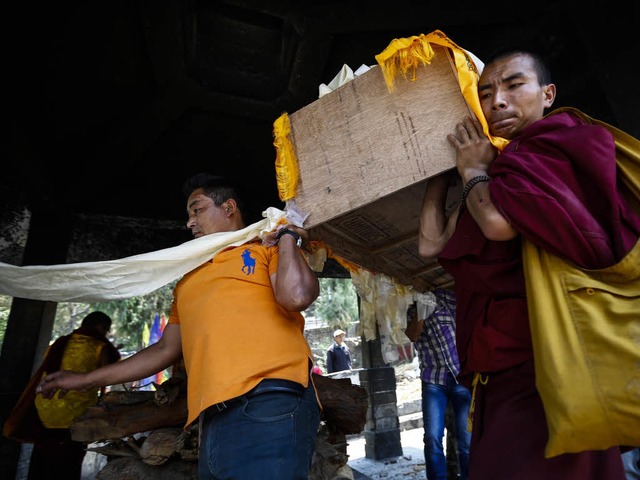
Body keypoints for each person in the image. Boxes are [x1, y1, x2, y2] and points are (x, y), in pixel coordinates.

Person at [418, 48, 640, 479]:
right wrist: (438, 173)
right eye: (485, 93)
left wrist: (472, 174)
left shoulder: (557, 146)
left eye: (514, 85)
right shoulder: (500, 171)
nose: (497, 101)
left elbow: (499, 225)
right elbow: (430, 246)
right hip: (501, 370)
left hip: (552, 363)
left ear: (548, 94)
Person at [37, 173, 322, 480]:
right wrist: (83, 380)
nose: (190, 222)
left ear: (228, 208)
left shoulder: (266, 247)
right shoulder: (187, 280)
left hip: (270, 399)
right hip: (211, 417)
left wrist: (288, 236)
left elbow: (296, 295)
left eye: (196, 209)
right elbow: (164, 350)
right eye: (189, 214)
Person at [4, 311, 120, 480]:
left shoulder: (59, 343)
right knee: (68, 462)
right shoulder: (100, 346)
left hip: (45, 406)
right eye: (106, 331)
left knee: (42, 456)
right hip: (76, 415)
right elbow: (104, 378)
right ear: (102, 327)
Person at [411, 288, 470, 480]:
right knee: (432, 439)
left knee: (466, 439)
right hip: (433, 381)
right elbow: (411, 336)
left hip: (459, 376)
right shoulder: (409, 308)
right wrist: (421, 310)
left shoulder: (446, 298)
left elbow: (465, 318)